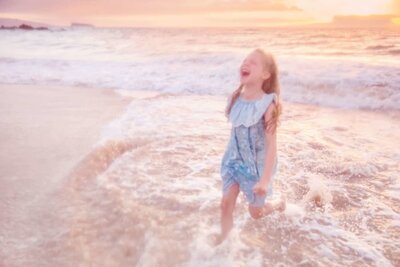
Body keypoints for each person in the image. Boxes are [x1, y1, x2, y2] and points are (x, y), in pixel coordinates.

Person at [215, 48, 286, 245]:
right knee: (225, 204)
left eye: (252, 62)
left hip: (255, 168)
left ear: (265, 74)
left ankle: (278, 204)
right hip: (233, 161)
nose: (245, 64)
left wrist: (264, 181)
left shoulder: (267, 105)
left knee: (255, 213)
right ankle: (225, 244)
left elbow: (272, 145)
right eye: (244, 60)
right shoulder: (235, 99)